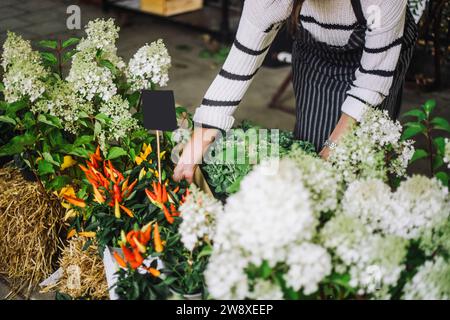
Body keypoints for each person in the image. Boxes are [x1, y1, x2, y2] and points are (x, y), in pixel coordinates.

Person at [174, 0, 418, 183]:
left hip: (379, 55)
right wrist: (202, 135)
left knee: (356, 163)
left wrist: (333, 149)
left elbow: (372, 81)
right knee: (309, 149)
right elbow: (242, 56)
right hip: (315, 51)